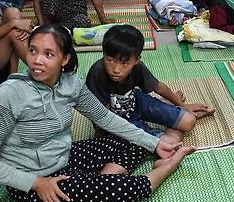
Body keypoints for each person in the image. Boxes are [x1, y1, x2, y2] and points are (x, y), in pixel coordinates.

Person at [0, 24, 194, 202]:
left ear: (65, 59)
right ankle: (166, 167)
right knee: (124, 190)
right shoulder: (9, 94)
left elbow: (106, 118)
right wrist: (35, 183)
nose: (37, 61)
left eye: (48, 54)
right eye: (32, 51)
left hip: (64, 158)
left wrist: (155, 142)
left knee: (133, 140)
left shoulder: (70, 84)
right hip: (32, 183)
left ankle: (86, 193)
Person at [86, 25, 215, 145]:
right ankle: (168, 121)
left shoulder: (138, 68)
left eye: (124, 63)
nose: (116, 69)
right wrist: (99, 140)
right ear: (103, 54)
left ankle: (169, 108)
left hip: (136, 101)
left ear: (136, 60)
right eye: (110, 60)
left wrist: (182, 106)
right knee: (169, 143)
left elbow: (158, 87)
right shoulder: (97, 73)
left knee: (189, 121)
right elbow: (101, 116)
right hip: (120, 121)